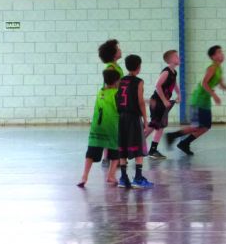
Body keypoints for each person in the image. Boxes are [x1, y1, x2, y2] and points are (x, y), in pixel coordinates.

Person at [166, 45, 226, 155]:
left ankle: (184, 143)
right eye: (219, 52)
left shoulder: (219, 68)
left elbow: (222, 85)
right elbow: (203, 83)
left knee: (205, 126)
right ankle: (173, 136)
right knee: (197, 126)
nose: (222, 54)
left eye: (222, 52)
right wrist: (214, 95)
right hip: (199, 99)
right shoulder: (212, 68)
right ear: (213, 57)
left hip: (205, 101)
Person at [77, 69, 121, 187]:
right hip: (112, 127)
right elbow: (120, 109)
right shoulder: (116, 93)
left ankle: (84, 176)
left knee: (91, 153)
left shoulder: (100, 92)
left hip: (97, 127)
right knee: (116, 153)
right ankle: (111, 176)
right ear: (117, 81)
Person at [116, 54, 153, 188]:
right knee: (138, 147)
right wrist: (145, 119)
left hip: (121, 117)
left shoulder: (120, 81)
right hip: (133, 117)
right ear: (138, 67)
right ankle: (138, 178)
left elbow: (117, 98)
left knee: (123, 146)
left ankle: (123, 178)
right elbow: (140, 102)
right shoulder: (139, 81)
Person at [144, 50, 180, 160]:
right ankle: (134, 145)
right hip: (157, 101)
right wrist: (164, 100)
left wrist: (179, 94)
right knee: (154, 126)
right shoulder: (166, 72)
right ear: (170, 60)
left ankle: (153, 150)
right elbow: (157, 86)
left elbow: (174, 84)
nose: (178, 57)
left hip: (162, 103)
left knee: (159, 126)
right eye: (176, 56)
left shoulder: (174, 72)